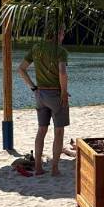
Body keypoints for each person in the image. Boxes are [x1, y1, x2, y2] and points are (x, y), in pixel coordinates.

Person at [18, 28, 69, 176]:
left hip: (40, 94)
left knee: (41, 130)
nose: (63, 35)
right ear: (58, 33)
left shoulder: (36, 48)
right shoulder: (60, 51)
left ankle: (39, 168)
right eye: (63, 32)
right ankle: (54, 169)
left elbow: (21, 69)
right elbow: (62, 72)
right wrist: (64, 92)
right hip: (56, 94)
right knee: (59, 132)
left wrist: (33, 88)